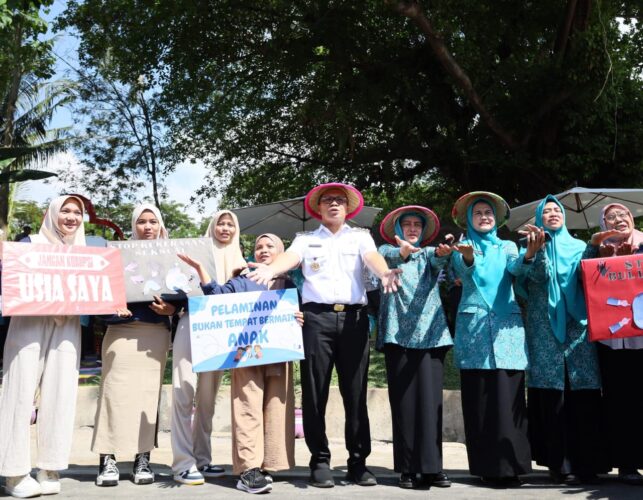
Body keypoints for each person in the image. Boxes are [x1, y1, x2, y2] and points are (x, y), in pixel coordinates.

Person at [248, 182, 401, 488]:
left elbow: (372, 258)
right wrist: (270, 270)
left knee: (355, 393)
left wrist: (384, 273)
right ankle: (319, 460)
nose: (333, 204)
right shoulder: (305, 240)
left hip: (354, 319)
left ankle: (358, 462)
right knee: (315, 392)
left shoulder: (360, 236)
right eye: (327, 201)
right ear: (317, 208)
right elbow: (288, 259)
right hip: (315, 319)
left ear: (348, 208)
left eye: (339, 201)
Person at [179, 233, 301, 494]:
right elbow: (216, 295)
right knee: (247, 408)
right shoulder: (243, 280)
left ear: (281, 253)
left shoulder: (290, 284)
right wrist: (201, 270)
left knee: (276, 408)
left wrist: (300, 317)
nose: (264, 250)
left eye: (270, 246)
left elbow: (302, 314)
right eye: (259, 247)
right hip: (244, 354)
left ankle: (268, 465)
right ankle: (248, 470)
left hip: (278, 353)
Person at [0, 196, 86, 498]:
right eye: (65, 210)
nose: (71, 217)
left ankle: (49, 466)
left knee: (61, 393)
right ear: (52, 213)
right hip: (29, 321)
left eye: (77, 212)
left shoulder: (85, 253)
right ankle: (13, 472)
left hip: (68, 324)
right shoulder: (29, 242)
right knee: (19, 392)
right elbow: (9, 279)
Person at [518, 195, 603, 485]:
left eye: (558, 210)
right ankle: (560, 464)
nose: (553, 214)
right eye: (547, 211)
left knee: (582, 392)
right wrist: (537, 251)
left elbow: (589, 277)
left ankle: (588, 462)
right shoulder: (527, 248)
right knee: (553, 394)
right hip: (543, 326)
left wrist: (593, 246)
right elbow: (534, 279)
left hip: (578, 326)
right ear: (540, 217)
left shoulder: (579, 246)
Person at [449, 191, 532, 486]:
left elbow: (517, 268)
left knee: (509, 398)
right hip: (474, 332)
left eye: (488, 213)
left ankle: (512, 466)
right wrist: (468, 256)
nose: (484, 217)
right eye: (478, 213)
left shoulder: (508, 246)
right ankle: (487, 467)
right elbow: (460, 270)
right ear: (469, 220)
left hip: (507, 329)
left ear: (496, 219)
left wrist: (531, 253)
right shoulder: (463, 245)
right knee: (480, 399)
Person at [92, 204, 176, 487]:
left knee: (148, 396)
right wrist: (114, 313)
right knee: (113, 393)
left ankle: (143, 458)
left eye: (153, 221)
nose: (148, 226)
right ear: (133, 225)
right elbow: (98, 295)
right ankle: (108, 458)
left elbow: (186, 296)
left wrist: (171, 311)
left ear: (160, 225)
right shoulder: (115, 255)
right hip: (121, 331)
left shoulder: (172, 257)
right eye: (142, 221)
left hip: (156, 334)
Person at [376, 205, 454, 489]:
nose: (412, 228)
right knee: (404, 404)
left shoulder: (429, 253)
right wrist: (404, 251)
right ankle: (407, 468)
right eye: (407, 224)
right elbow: (394, 256)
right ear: (398, 229)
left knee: (431, 404)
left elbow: (439, 260)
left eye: (417, 225)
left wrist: (444, 254)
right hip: (397, 334)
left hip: (431, 335)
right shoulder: (384, 252)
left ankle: (433, 467)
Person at [171, 210, 246, 484]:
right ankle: (182, 462)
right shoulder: (195, 257)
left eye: (230, 224)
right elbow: (178, 290)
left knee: (207, 398)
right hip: (191, 323)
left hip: (221, 331)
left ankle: (202, 459)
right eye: (220, 223)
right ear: (212, 226)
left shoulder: (242, 261)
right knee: (183, 392)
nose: (225, 228)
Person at [585, 203, 643, 484]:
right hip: (612, 340)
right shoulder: (600, 251)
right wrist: (603, 257)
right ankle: (627, 463)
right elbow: (587, 285)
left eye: (624, 215)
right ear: (603, 224)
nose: (619, 220)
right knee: (620, 401)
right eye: (611, 217)